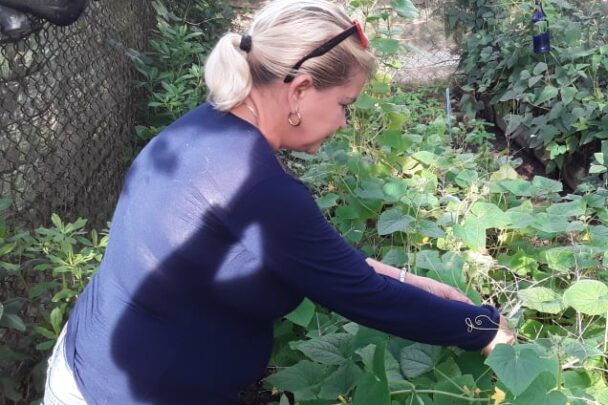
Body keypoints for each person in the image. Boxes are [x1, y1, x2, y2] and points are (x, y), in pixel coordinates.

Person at [43, 0, 515, 403]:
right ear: (302, 90)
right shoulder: (254, 185)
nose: (345, 124)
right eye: (345, 105)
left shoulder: (204, 130)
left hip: (90, 361)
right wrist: (486, 328)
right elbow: (363, 297)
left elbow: (314, 258)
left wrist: (412, 279)